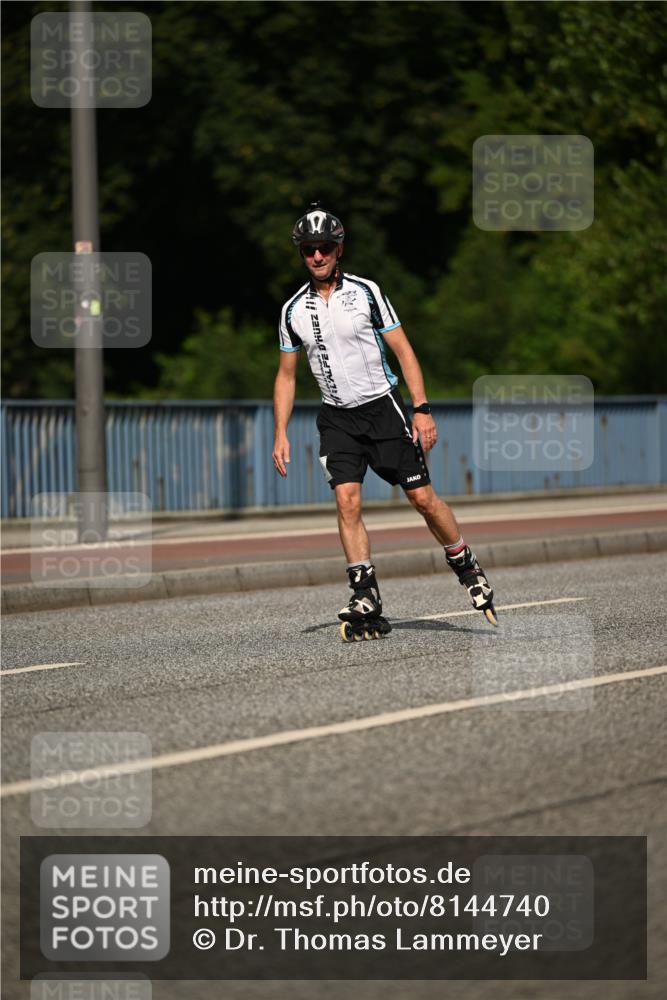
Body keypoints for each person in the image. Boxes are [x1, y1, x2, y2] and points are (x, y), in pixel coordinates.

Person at [272, 203, 496, 639]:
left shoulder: (366, 291)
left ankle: (465, 564)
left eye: (325, 248)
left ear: (339, 249)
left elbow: (404, 351)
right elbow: (285, 375)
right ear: (301, 254)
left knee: (423, 500)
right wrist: (280, 431)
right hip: (336, 417)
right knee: (347, 502)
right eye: (308, 250)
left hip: (382, 410)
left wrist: (422, 407)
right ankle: (365, 591)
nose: (317, 257)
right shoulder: (292, 310)